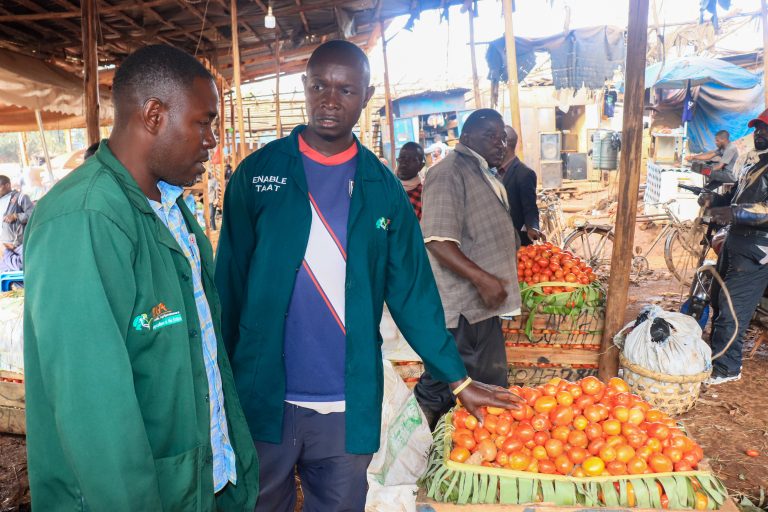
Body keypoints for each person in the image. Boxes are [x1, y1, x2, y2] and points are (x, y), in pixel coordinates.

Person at [215, 40, 521, 512]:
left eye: (345, 89)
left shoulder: (383, 189)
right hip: (264, 398)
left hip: (346, 403)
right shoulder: (258, 175)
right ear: (305, 86)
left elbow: (413, 293)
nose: (330, 100)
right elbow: (228, 287)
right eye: (319, 86)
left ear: (367, 94)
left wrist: (457, 380)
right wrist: (224, 380)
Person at [22, 45, 258, 510]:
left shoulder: (173, 212)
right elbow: (94, 410)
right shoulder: (86, 218)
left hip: (197, 484)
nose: (212, 141)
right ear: (153, 115)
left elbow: (201, 356)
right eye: (203, 122)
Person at [415, 108, 522, 426]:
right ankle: (422, 451)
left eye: (502, 136)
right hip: (463, 310)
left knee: (468, 383)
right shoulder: (448, 172)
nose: (499, 142)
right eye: (490, 135)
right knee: (454, 385)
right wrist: (483, 279)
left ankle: (448, 451)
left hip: (480, 308)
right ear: (466, 136)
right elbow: (436, 240)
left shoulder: (482, 172)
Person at [702, 109, 768, 385]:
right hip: (735, 240)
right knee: (718, 300)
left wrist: (735, 213)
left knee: (733, 309)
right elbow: (736, 198)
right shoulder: (756, 164)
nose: (759, 134)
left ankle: (727, 368)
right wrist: (714, 200)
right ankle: (718, 358)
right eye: (757, 129)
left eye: (765, 130)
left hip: (758, 248)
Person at [500, 125, 544, 246]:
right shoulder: (492, 171)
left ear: (504, 144)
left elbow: (530, 207)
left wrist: (532, 227)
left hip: (516, 242)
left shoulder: (524, 174)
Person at [0, 175, 33, 272]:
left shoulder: (20, 198)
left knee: (22, 268)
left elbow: (32, 214)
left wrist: (16, 216)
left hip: (18, 245)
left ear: (7, 185)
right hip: (3, 246)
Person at [396, 141, 426, 219]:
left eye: (412, 159)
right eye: (402, 158)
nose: (404, 163)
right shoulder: (387, 186)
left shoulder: (423, 196)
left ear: (421, 166)